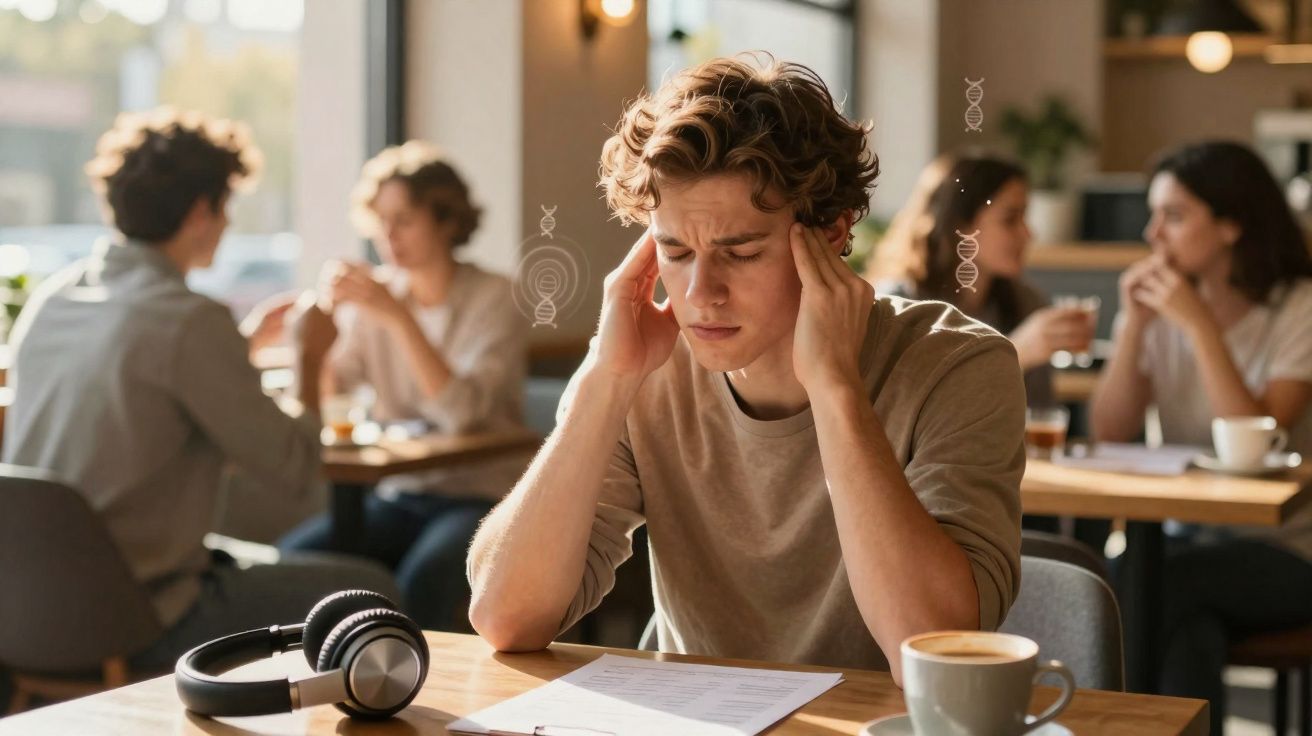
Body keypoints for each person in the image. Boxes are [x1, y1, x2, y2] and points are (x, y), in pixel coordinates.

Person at [465, 55, 1026, 680]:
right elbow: (505, 617)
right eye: (675, 252)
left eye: (742, 252)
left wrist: (836, 389)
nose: (702, 294)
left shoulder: (960, 365)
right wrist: (606, 378)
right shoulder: (643, 370)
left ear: (834, 232)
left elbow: (931, 647)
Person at [2, 108, 398, 674]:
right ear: (200, 212)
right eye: (226, 207)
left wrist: (237, 347)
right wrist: (309, 356)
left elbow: (139, 394)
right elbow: (294, 468)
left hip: (26, 613)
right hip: (139, 617)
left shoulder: (53, 300)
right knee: (371, 594)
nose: (227, 223)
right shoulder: (188, 322)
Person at [1090, 140, 1312, 732]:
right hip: (1188, 539)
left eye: (1175, 216)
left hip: (1290, 547)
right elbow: (1109, 429)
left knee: (1146, 584)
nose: (1151, 232)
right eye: (1153, 213)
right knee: (1183, 622)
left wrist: (1197, 324)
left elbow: (1258, 438)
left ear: (1231, 226)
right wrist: (1135, 328)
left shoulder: (1297, 309)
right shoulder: (1158, 307)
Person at [279, 141, 528, 631]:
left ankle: (411, 691)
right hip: (399, 494)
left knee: (424, 579)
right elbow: (334, 395)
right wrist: (316, 335)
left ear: (448, 221)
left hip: (479, 496)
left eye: (405, 219)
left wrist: (397, 318)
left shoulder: (492, 297)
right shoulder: (378, 301)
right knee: (291, 562)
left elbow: (462, 414)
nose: (388, 236)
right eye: (381, 220)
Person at [866, 153, 1095, 409]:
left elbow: (1040, 416)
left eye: (1025, 217)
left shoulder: (1026, 304)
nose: (1028, 233)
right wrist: (1016, 352)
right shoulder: (898, 306)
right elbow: (903, 414)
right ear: (962, 227)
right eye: (1010, 219)